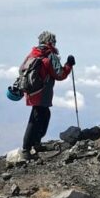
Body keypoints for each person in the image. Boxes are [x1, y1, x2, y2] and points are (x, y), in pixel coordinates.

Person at [21, 31, 75, 161]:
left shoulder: (33, 53)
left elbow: (22, 69)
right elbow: (60, 74)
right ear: (51, 42)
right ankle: (26, 149)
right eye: (54, 41)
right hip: (42, 92)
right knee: (37, 118)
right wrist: (69, 65)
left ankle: (36, 144)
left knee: (41, 115)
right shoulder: (50, 55)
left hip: (31, 90)